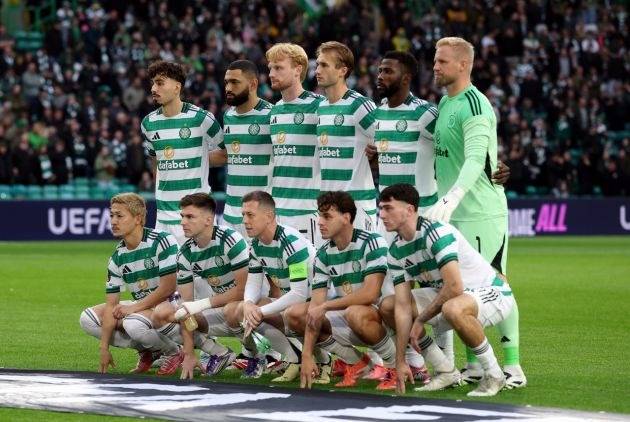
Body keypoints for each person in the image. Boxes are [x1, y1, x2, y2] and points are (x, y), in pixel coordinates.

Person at [424, 37, 525, 388]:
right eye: (435, 60)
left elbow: (475, 159)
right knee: (461, 291)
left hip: (481, 213)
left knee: (496, 286)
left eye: (442, 61)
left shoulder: (475, 104)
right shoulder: (445, 103)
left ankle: (513, 366)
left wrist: (451, 197)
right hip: (454, 215)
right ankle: (475, 365)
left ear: (463, 65)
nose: (435, 66)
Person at [379, 183, 516, 397]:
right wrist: (400, 361)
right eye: (380, 209)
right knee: (389, 305)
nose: (381, 215)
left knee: (453, 307)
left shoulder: (436, 232)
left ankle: (494, 374)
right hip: (455, 298)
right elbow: (403, 307)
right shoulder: (395, 251)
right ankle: (445, 371)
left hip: (492, 293)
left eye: (388, 208)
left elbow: (454, 286)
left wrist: (420, 319)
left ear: (409, 210)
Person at [287, 191, 396, 390]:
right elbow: (314, 308)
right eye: (319, 216)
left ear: (346, 218)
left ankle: (394, 364)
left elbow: (370, 294)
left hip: (388, 320)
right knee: (295, 315)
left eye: (327, 217)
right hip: (353, 318)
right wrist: (307, 354)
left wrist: (326, 306)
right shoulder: (323, 254)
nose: (320, 222)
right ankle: (358, 364)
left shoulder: (371, 242)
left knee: (355, 312)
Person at [79, 193, 181, 375]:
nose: (113, 221)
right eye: (112, 215)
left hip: (173, 304)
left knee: (132, 324)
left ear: (138, 219)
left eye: (119, 216)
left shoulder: (162, 241)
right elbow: (111, 305)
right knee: (88, 319)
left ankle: (174, 352)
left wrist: (133, 308)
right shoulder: (117, 256)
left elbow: (168, 287)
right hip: (144, 308)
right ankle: (148, 351)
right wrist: (104, 348)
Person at [151, 193, 249, 379]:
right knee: (162, 314)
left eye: (190, 217)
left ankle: (258, 354)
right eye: (182, 216)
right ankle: (219, 353)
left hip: (251, 308)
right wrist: (189, 354)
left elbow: (244, 291)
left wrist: (202, 304)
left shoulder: (230, 240)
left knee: (233, 309)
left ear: (208, 220)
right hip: (223, 310)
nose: (183, 222)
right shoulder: (185, 253)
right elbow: (186, 307)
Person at [224, 191, 316, 382]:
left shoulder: (291, 243)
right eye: (243, 215)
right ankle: (293, 359)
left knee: (289, 312)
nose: (245, 221)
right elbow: (254, 281)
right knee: (239, 310)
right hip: (296, 308)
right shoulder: (256, 244)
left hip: (316, 306)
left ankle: (329, 360)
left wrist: (260, 312)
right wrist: (249, 304)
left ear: (269, 216)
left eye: (250, 215)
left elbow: (299, 293)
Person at [141, 61, 226, 246]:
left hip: (196, 216)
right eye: (153, 83)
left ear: (177, 87)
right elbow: (154, 159)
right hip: (163, 218)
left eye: (160, 83)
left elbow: (226, 153)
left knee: (204, 266)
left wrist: (197, 158)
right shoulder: (148, 123)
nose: (154, 88)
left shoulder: (201, 119)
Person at [315, 42, 378, 231]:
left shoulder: (359, 105)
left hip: (357, 209)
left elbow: (390, 139)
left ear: (342, 70)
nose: (317, 70)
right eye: (317, 64)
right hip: (328, 209)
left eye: (324, 65)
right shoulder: (321, 108)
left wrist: (378, 154)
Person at [267, 43, 323, 247]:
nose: (271, 74)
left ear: (298, 69)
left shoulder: (319, 106)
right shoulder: (274, 111)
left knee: (307, 267)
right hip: (277, 212)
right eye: (270, 68)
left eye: (278, 68)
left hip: (307, 212)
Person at [221, 60, 273, 240]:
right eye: (226, 82)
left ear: (253, 84)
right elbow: (227, 155)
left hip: (258, 217)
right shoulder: (228, 115)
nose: (228, 87)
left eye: (235, 82)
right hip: (230, 216)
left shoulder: (271, 115)